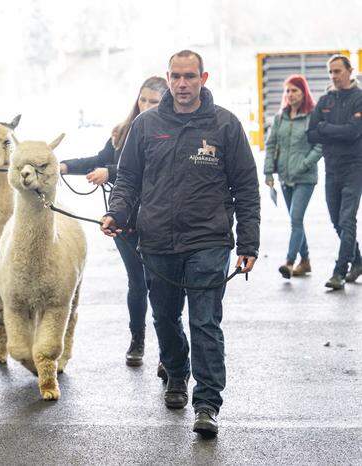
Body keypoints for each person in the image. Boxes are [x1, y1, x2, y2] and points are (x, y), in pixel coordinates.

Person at [100, 50, 260, 438]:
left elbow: (246, 187)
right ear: (167, 78)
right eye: (176, 76)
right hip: (156, 241)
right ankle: (176, 374)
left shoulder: (225, 125)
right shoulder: (146, 125)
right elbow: (128, 180)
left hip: (209, 240)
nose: (183, 84)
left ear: (203, 78)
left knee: (205, 321)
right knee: (165, 318)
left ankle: (207, 403)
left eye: (190, 76)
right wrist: (117, 214)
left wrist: (248, 243)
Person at [59, 77, 168, 377]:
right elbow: (99, 160)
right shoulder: (121, 133)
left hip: (158, 221)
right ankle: (137, 340)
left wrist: (111, 172)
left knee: (160, 287)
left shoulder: (168, 133)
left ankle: (168, 350)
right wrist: (64, 165)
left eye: (155, 102)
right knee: (137, 283)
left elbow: (146, 170)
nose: (147, 106)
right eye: (143, 100)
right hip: (123, 223)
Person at [307, 55, 362, 290]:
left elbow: (353, 132)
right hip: (331, 167)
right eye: (330, 72)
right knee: (336, 221)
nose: (334, 76)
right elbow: (311, 134)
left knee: (347, 220)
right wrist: (329, 131)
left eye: (338, 71)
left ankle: (339, 272)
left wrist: (325, 128)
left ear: (350, 71)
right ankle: (358, 261)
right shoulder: (325, 100)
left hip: (354, 166)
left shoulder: (359, 99)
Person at [264, 75, 322, 279]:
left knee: (296, 219)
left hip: (305, 177)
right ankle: (305, 261)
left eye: (294, 90)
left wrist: (305, 164)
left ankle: (289, 262)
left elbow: (320, 145)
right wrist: (268, 172)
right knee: (295, 221)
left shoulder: (313, 116)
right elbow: (271, 145)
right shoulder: (281, 117)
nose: (290, 95)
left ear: (303, 92)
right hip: (285, 177)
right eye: (287, 91)